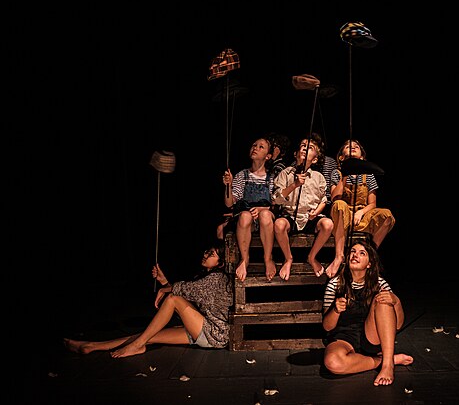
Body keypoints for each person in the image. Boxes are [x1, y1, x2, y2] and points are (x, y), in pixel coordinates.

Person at [63, 240, 233, 357]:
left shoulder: (217, 279)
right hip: (203, 329)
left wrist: (166, 288)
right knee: (146, 335)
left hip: (214, 334)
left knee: (173, 299)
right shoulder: (206, 277)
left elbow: (183, 291)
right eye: (207, 251)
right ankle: (91, 346)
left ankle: (137, 346)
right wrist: (164, 282)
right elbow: (188, 293)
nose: (206, 255)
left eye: (212, 254)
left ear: (220, 263)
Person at [322, 240, 413, 386]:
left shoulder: (380, 283)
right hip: (344, 337)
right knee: (333, 363)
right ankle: (385, 360)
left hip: (371, 336)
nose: (355, 255)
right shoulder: (335, 284)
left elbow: (397, 325)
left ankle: (388, 365)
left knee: (382, 299)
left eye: (362, 253)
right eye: (352, 251)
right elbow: (327, 327)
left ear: (369, 264)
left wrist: (396, 302)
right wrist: (335, 310)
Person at [272, 133, 338, 280]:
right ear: (296, 154)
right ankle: (288, 258)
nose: (305, 148)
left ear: (315, 159)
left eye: (310, 147)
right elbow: (276, 199)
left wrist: (316, 212)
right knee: (279, 224)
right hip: (291, 216)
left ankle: (312, 257)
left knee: (328, 224)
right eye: (303, 145)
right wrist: (294, 185)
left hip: (310, 217)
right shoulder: (285, 173)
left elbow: (323, 199)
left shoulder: (318, 177)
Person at [326, 139, 395, 278]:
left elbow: (372, 204)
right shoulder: (337, 173)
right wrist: (345, 175)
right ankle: (339, 256)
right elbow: (335, 197)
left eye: (356, 146)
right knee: (339, 205)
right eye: (348, 146)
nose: (352, 147)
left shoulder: (368, 175)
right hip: (342, 218)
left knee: (387, 215)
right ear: (341, 157)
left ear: (362, 157)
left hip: (361, 216)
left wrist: (360, 212)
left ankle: (370, 253)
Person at [218, 136, 277, 282]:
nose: (255, 148)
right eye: (254, 145)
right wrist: (228, 185)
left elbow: (276, 202)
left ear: (268, 156)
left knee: (265, 215)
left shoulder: (271, 178)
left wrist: (261, 209)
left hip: (265, 218)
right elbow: (229, 203)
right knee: (245, 216)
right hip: (247, 219)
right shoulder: (242, 175)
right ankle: (245, 259)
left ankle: (268, 258)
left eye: (261, 147)